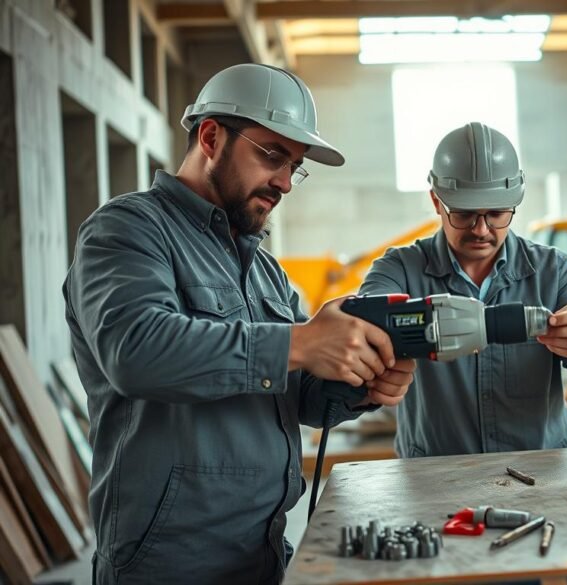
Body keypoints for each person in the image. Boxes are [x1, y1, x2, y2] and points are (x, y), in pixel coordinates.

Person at [63, 63, 416, 585]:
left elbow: (298, 395)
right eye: (272, 155)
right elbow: (135, 352)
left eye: (295, 166)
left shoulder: (264, 268)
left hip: (263, 550)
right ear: (211, 136)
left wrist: (359, 382)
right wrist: (300, 343)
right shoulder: (128, 230)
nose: (285, 182)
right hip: (169, 562)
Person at [359, 122, 567, 458]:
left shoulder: (552, 271)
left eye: (497, 214)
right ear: (436, 201)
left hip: (542, 470)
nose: (481, 229)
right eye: (464, 214)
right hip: (436, 476)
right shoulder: (399, 269)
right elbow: (361, 327)